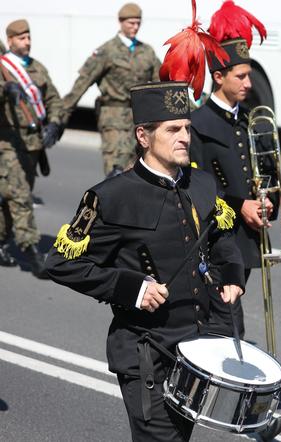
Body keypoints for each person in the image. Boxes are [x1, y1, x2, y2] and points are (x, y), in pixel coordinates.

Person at [46, 81, 245, 441]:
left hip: (196, 349)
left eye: (186, 127)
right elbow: (60, 262)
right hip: (146, 355)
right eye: (173, 129)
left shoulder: (201, 183)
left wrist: (231, 273)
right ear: (143, 135)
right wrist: (132, 288)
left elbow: (221, 235)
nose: (184, 136)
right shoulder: (110, 197)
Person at [188, 2, 281, 438]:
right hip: (213, 238)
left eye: (249, 75)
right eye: (241, 76)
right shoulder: (198, 123)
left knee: (225, 322)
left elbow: (260, 174)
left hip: (244, 237)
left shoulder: (248, 119)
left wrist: (266, 203)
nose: (249, 83)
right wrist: (237, 203)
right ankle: (248, 415)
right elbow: (197, 189)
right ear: (219, 78)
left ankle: (229, 405)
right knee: (229, 322)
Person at [61, 3, 161, 177]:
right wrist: (60, 116)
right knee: (115, 170)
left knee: (139, 169)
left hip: (139, 118)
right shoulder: (107, 51)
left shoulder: (147, 52)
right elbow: (83, 82)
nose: (135, 27)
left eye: (138, 23)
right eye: (131, 23)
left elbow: (160, 83)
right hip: (114, 117)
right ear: (121, 22)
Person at [0, 19, 60, 278]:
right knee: (21, 196)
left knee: (12, 198)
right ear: (10, 40)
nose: (27, 41)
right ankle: (32, 253)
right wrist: (5, 90)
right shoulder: (4, 69)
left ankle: (2, 240)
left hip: (34, 145)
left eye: (28, 37)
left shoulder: (36, 68)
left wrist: (55, 123)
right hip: (8, 144)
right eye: (22, 38)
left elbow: (54, 99)